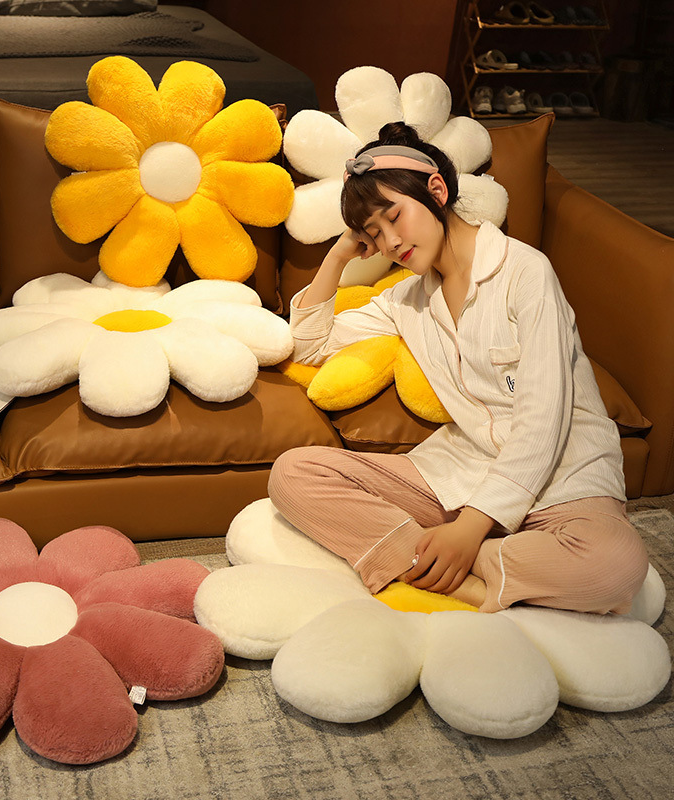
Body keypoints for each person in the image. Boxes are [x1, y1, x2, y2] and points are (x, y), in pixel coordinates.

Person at [268, 121, 648, 614]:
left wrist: (470, 531)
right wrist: (339, 255)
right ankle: (469, 574)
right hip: (457, 475)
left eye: (394, 217)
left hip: (563, 478)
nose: (390, 243)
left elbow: (543, 417)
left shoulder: (525, 272)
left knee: (615, 566)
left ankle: (432, 562)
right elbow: (308, 346)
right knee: (294, 473)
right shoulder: (405, 300)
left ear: (437, 191)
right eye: (373, 234)